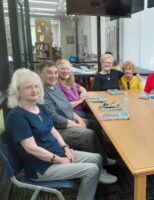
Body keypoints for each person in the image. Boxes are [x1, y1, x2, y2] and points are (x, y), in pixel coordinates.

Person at [4, 68, 104, 200]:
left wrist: (66, 148)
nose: (34, 90)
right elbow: (31, 148)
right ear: (18, 91)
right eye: (28, 87)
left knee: (97, 158)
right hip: (41, 167)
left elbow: (53, 130)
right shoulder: (17, 115)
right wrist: (60, 160)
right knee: (92, 170)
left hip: (57, 153)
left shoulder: (40, 107)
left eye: (36, 86)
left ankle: (86, 190)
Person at [36, 60, 117, 184]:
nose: (53, 76)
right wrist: (78, 125)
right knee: (89, 135)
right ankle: (99, 171)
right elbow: (55, 120)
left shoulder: (55, 87)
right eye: (49, 73)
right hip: (58, 130)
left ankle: (103, 158)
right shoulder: (43, 93)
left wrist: (79, 120)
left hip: (70, 121)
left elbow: (68, 106)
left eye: (55, 73)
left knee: (96, 124)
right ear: (40, 74)